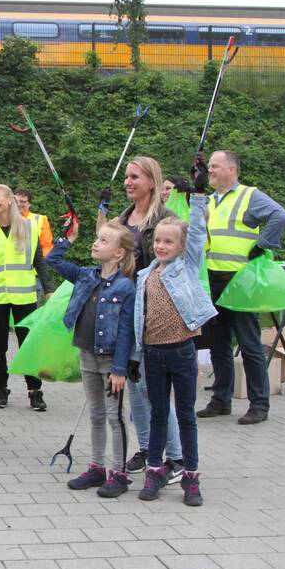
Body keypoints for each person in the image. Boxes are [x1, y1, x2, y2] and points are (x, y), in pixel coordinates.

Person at [133, 155, 216, 507]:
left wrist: (198, 194)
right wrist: (135, 355)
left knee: (185, 415)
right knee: (156, 415)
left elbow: (196, 230)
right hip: (152, 353)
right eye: (158, 242)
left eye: (169, 242)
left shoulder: (186, 266)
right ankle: (154, 472)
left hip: (181, 351)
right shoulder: (143, 275)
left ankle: (191, 477)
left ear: (181, 247)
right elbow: (140, 316)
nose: (162, 246)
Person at [99, 157, 185, 481]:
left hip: (153, 313)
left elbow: (177, 265)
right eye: (126, 177)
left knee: (154, 389)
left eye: (134, 177)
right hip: (126, 312)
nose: (128, 182)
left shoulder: (166, 219)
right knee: (134, 384)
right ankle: (149, 449)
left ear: (152, 180)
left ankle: (175, 456)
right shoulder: (123, 219)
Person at [198, 150, 285, 425]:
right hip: (213, 280)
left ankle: (259, 405)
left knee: (249, 345)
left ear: (231, 169)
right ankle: (221, 400)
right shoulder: (210, 201)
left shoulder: (249, 196)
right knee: (218, 345)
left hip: (239, 282)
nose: (210, 170)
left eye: (215, 166)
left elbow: (280, 216)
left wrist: (261, 246)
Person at [47, 219, 136, 497]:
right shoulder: (86, 275)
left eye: (104, 240)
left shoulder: (125, 288)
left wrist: (120, 368)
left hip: (111, 364)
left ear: (119, 252)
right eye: (97, 238)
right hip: (87, 356)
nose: (96, 243)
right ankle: (98, 467)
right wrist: (67, 239)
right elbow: (53, 259)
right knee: (96, 415)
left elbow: (126, 332)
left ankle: (119, 473)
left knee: (113, 416)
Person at [0, 184, 54, 411]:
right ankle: (1, 390)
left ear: (9, 200)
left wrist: (49, 289)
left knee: (28, 345)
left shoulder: (29, 228)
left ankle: (35, 391)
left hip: (24, 295)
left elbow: (39, 262)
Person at [13, 188, 54, 256]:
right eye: (16, 201)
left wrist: (39, 263)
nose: (18, 204)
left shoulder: (40, 219)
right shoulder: (5, 219)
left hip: (32, 265)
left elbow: (46, 246)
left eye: (22, 201)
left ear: (29, 204)